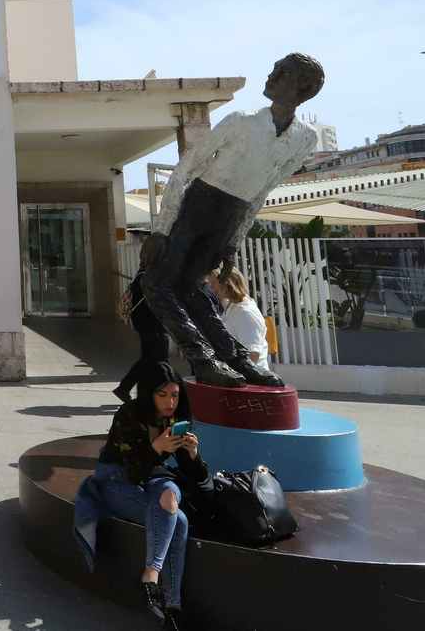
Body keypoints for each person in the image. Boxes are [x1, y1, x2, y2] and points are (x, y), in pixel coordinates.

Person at [141, 53, 324, 388]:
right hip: (198, 203)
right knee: (155, 282)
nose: (271, 75)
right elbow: (185, 169)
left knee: (193, 290)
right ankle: (204, 359)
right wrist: (161, 230)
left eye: (282, 72)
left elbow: (261, 192)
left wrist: (233, 243)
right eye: (274, 68)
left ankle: (237, 362)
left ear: (304, 87)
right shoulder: (240, 120)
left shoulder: (305, 137)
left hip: (231, 213)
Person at [72, 361, 204, 629]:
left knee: (170, 492)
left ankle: (150, 578)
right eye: (162, 395)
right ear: (149, 394)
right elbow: (132, 471)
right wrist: (156, 448)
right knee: (178, 520)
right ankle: (172, 605)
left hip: (155, 478)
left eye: (175, 395)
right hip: (114, 480)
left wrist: (192, 455)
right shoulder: (129, 415)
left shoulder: (175, 419)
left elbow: (197, 477)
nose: (170, 402)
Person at [112, 270, 172, 403]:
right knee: (162, 360)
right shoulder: (151, 276)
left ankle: (124, 388)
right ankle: (162, 394)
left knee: (147, 358)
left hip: (144, 323)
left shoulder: (142, 274)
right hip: (153, 324)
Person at [209, 265, 268, 364]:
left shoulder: (245, 312)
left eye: (214, 283)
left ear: (227, 283)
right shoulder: (231, 304)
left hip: (247, 377)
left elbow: (253, 355)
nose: (211, 286)